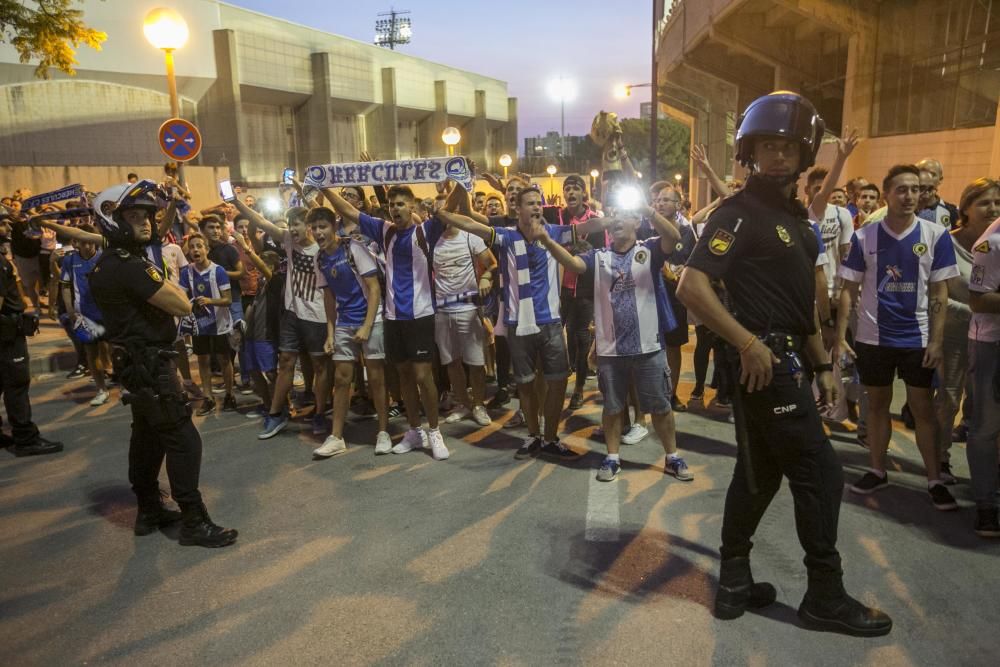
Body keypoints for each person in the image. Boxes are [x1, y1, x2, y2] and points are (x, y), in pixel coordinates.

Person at [678, 91, 891, 636]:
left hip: (792, 359)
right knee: (821, 472)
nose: (778, 157)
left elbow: (803, 308)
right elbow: (692, 285)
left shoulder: (797, 219)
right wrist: (748, 343)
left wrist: (823, 367)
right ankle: (824, 595)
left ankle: (734, 581)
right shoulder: (739, 213)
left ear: (804, 155)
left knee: (759, 476)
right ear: (750, 152)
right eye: (768, 147)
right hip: (763, 366)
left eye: (788, 148)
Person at [88, 180, 236, 547]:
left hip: (135, 364)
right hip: (150, 364)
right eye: (135, 216)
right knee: (183, 440)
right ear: (112, 220)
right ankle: (193, 521)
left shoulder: (107, 263)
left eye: (148, 216)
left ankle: (148, 510)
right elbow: (182, 303)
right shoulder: (128, 266)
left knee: (147, 436)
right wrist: (176, 290)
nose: (146, 222)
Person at [545, 188, 694, 483]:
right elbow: (573, 264)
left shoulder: (648, 249)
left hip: (648, 347)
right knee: (612, 408)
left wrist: (648, 209)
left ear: (636, 223)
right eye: (613, 217)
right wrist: (546, 241)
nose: (617, 222)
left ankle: (672, 456)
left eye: (624, 217)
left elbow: (674, 237)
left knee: (662, 407)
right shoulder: (598, 257)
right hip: (611, 350)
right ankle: (612, 458)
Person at [441, 186, 600, 460]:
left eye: (539, 203)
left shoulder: (554, 232)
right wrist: (443, 214)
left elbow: (589, 224)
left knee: (558, 381)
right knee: (525, 384)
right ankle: (533, 436)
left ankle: (550, 437)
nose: (537, 207)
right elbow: (470, 223)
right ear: (517, 209)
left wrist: (618, 219)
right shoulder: (504, 237)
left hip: (550, 322)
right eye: (530, 203)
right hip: (517, 322)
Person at [836, 164, 960, 511]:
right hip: (872, 337)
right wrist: (840, 337)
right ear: (887, 194)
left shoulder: (936, 236)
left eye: (916, 190)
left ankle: (934, 478)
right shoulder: (865, 237)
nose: (910, 196)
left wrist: (935, 341)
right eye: (902, 190)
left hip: (917, 338)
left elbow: (939, 293)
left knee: (922, 409)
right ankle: (877, 469)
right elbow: (848, 288)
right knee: (876, 405)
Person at [323, 184, 450, 460]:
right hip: (393, 316)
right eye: (392, 205)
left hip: (421, 314)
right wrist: (325, 186)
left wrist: (460, 180)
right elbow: (348, 210)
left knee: (422, 375)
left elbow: (452, 209)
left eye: (401, 204)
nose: (395, 209)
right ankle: (414, 431)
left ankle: (434, 430)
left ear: (413, 207)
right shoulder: (385, 230)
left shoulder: (426, 230)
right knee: (404, 375)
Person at [237, 202, 331, 440]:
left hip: (317, 316)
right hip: (291, 313)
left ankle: (320, 414)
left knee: (320, 366)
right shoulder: (289, 241)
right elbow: (261, 222)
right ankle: (276, 413)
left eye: (296, 224)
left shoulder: (324, 249)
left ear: (309, 227)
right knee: (286, 362)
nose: (292, 229)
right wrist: (236, 203)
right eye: (290, 225)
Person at [309, 207, 392, 457]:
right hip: (345, 321)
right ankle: (336, 437)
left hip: (372, 318)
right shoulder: (320, 258)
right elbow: (328, 297)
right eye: (314, 228)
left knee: (376, 377)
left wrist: (367, 326)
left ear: (334, 226)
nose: (318, 232)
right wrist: (331, 333)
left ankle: (384, 432)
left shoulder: (353, 248)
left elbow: (374, 288)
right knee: (342, 379)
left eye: (322, 226)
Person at [933, 179, 1000, 485]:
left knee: (981, 407)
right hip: (953, 333)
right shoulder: (947, 242)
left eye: (997, 203)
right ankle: (940, 461)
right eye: (985, 202)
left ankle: (984, 474)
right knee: (948, 399)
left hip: (987, 337)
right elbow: (937, 294)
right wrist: (977, 308)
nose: (993, 208)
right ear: (965, 208)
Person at [431, 193, 496, 427]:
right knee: (451, 362)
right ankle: (463, 403)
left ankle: (478, 404)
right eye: (438, 211)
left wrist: (486, 277)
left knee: (476, 362)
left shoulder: (471, 238)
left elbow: (492, 263)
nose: (442, 215)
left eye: (446, 210)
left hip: (468, 308)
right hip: (441, 309)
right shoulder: (432, 240)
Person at [967, 197, 1000, 537]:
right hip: (991, 344)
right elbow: (978, 299)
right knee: (986, 427)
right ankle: (986, 505)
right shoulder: (992, 243)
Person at [179, 234, 237, 416]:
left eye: (199, 246)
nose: (195, 250)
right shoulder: (186, 272)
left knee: (224, 359)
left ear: (206, 249)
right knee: (202, 360)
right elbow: (181, 296)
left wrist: (210, 301)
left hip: (219, 324)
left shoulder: (218, 271)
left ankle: (229, 394)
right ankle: (208, 397)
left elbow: (228, 300)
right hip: (199, 325)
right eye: (192, 247)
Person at [58, 224, 112, 407]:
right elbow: (65, 285)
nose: (87, 246)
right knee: (91, 353)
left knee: (117, 350)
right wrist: (69, 309)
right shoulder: (70, 261)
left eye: (90, 241)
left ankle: (124, 383)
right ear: (75, 243)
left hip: (107, 313)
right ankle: (101, 390)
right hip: (84, 315)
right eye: (83, 242)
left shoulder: (105, 257)